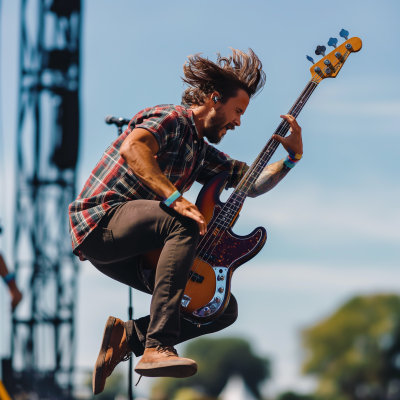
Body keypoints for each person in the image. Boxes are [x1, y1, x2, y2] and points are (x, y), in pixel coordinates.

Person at [68, 48, 303, 394]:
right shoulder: (172, 118)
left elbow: (251, 183)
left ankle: (129, 337)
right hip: (100, 222)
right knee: (185, 221)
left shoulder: (202, 152)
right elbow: (133, 148)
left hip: (136, 247)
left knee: (219, 306)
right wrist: (176, 198)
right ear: (214, 99)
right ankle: (157, 347)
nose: (238, 122)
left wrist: (291, 158)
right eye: (237, 111)